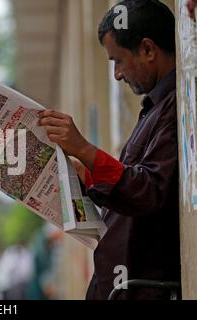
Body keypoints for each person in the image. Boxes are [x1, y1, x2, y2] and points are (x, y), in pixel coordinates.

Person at [38, 0, 180, 299]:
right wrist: (86, 174)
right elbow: (131, 185)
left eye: (118, 60)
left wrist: (84, 148)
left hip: (144, 287)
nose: (116, 74)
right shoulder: (153, 109)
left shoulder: (175, 107)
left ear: (148, 50)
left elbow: (149, 190)